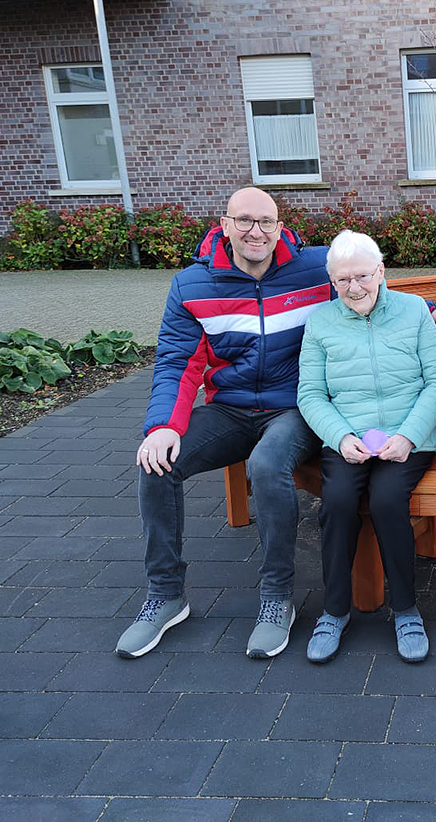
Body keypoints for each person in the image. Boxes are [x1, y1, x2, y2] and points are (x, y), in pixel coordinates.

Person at [117, 187, 330, 660]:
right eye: (245, 221)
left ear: (280, 227)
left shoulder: (316, 268)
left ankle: (276, 598)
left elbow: (369, 291)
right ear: (225, 224)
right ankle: (166, 595)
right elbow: (177, 362)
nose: (257, 231)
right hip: (230, 408)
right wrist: (163, 426)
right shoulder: (193, 285)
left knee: (267, 465)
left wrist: (426, 311)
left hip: (294, 407)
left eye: (266, 222)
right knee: (157, 463)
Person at [297, 231, 436, 664]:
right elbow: (310, 394)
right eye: (343, 280)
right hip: (347, 439)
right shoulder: (320, 322)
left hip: (409, 438)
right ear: (332, 281)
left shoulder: (413, 311)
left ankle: (405, 610)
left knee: (386, 501)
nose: (354, 288)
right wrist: (340, 437)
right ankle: (334, 611)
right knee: (338, 502)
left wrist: (409, 436)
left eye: (363, 276)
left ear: (381, 272)